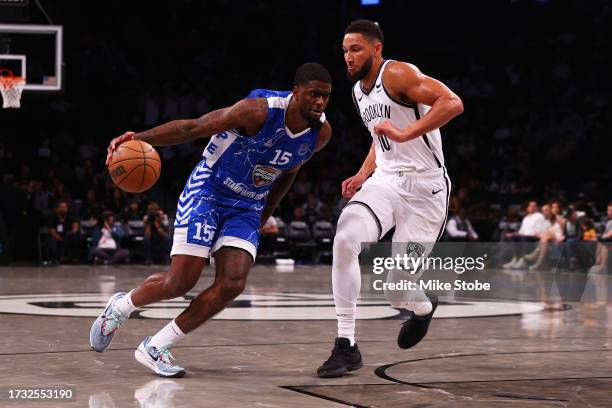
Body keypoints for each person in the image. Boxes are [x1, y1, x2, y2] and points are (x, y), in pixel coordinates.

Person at [90, 63, 333, 378]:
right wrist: (139, 137)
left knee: (233, 283)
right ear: (296, 90)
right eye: (314, 94)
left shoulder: (320, 134)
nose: (319, 102)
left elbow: (290, 171)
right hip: (209, 191)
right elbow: (193, 127)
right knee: (180, 282)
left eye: (325, 97)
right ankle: (120, 309)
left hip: (247, 206)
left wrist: (266, 213)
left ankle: (156, 346)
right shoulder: (256, 111)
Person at [318, 20, 463, 378]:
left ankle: (424, 307)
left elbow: (452, 102)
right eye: (345, 51)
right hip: (385, 182)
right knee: (346, 238)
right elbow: (379, 136)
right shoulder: (357, 92)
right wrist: (363, 173)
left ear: (376, 49)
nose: (348, 57)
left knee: (397, 290)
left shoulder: (397, 73)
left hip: (425, 192)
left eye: (356, 49)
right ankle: (346, 344)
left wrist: (405, 132)